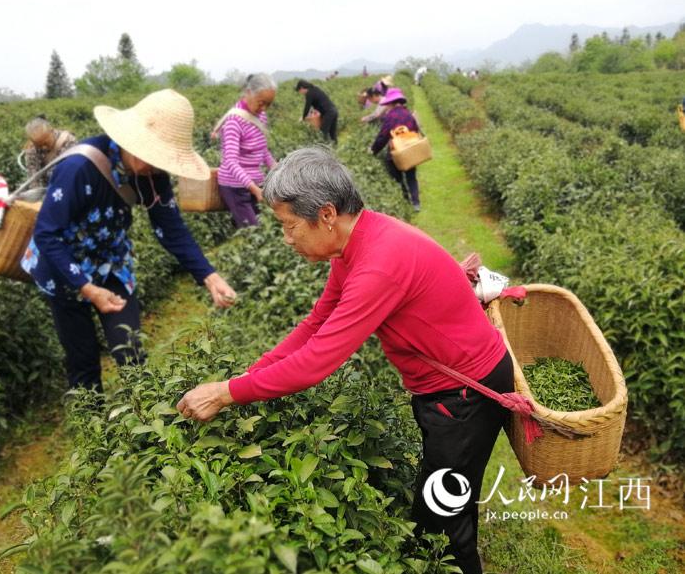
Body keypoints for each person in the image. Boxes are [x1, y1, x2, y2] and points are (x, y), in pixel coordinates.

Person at [177, 148, 513, 574]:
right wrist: (253, 373)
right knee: (443, 509)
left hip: (466, 396)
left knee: (442, 528)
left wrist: (227, 393)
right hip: (449, 390)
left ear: (327, 214)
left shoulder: (378, 265)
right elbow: (316, 324)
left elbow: (317, 361)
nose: (287, 238)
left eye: (290, 226)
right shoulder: (356, 244)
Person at [21, 89, 237, 394]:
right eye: (152, 157)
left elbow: (169, 227)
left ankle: (144, 419)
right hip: (64, 270)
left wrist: (208, 275)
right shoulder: (78, 168)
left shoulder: (150, 173)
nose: (155, 167)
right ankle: (93, 426)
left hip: (111, 266)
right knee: (82, 360)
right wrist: (87, 287)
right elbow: (46, 233)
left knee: (130, 349)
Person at [214, 73, 277, 228]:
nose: (263, 109)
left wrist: (277, 168)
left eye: (268, 104)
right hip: (235, 186)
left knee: (263, 225)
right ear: (248, 93)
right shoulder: (234, 121)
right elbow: (231, 162)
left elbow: (263, 150)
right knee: (253, 230)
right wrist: (254, 188)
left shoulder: (260, 117)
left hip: (255, 184)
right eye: (261, 103)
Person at [370, 88, 422, 212]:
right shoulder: (408, 114)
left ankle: (405, 199)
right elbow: (415, 130)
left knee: (397, 177)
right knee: (411, 177)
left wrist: (373, 150)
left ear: (391, 103)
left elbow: (383, 136)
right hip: (409, 149)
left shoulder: (391, 116)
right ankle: (416, 203)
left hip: (396, 152)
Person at [21, 116, 77, 189]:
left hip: (69, 185)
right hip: (47, 188)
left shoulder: (68, 141)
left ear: (51, 131)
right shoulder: (32, 149)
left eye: (46, 143)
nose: (43, 147)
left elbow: (73, 171)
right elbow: (33, 178)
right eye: (39, 145)